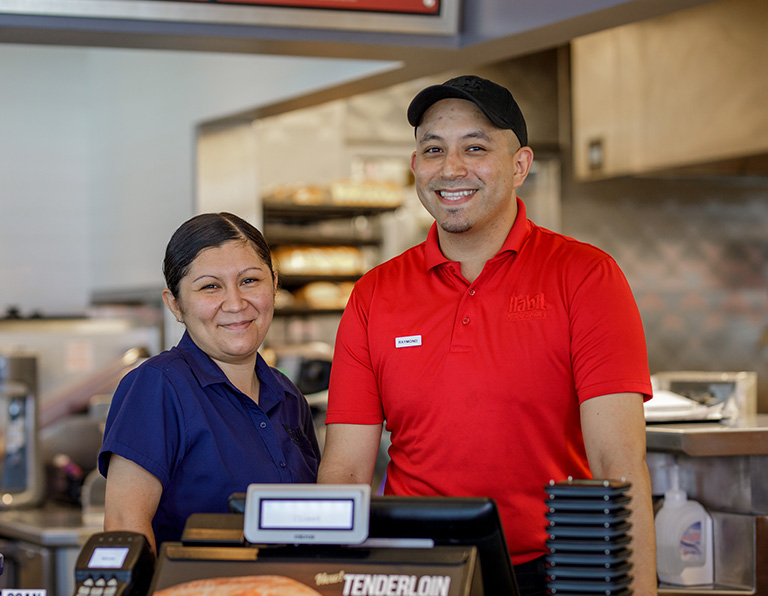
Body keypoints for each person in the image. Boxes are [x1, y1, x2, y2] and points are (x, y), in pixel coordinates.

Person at [317, 75, 656, 595]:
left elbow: (618, 466)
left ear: (520, 165)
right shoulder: (373, 295)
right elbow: (344, 473)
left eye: (475, 147)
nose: (451, 168)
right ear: (415, 167)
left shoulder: (586, 276)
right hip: (413, 569)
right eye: (433, 150)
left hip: (555, 569)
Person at [99, 212, 320, 554]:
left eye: (250, 281)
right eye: (210, 286)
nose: (235, 303)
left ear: (274, 285)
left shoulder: (288, 396)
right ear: (175, 304)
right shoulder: (157, 387)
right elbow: (124, 524)